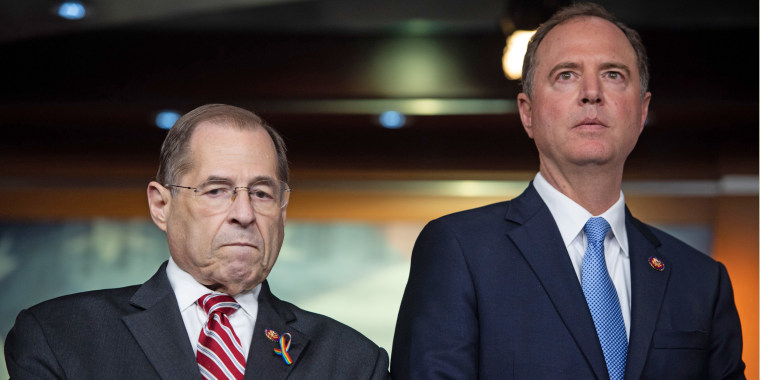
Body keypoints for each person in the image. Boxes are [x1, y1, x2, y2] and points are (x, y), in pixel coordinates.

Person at [391, 3, 744, 379]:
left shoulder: (702, 281)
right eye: (566, 75)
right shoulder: (459, 250)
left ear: (641, 112)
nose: (591, 93)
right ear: (528, 113)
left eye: (612, 74)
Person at [5, 104, 390, 379]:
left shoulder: (354, 361)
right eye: (217, 190)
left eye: (261, 193)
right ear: (161, 205)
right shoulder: (60, 336)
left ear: (283, 211)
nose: (244, 213)